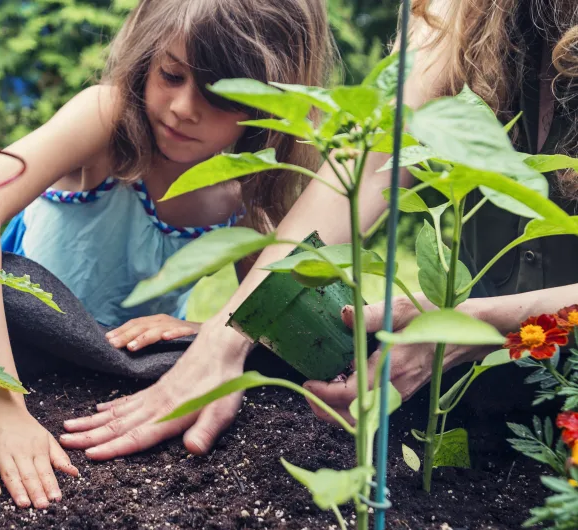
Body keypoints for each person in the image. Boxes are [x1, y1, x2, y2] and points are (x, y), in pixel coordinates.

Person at [59, 0, 578, 458]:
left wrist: (475, 323)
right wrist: (222, 342)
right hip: (491, 400)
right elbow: (378, 150)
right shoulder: (469, 10)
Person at [0, 0, 333, 509]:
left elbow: (275, 312)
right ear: (149, 56)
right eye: (171, 74)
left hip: (126, 374)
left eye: (221, 94)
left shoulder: (246, 182)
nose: (184, 107)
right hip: (19, 341)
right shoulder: (106, 119)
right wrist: (0, 406)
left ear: (273, 103)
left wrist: (205, 332)